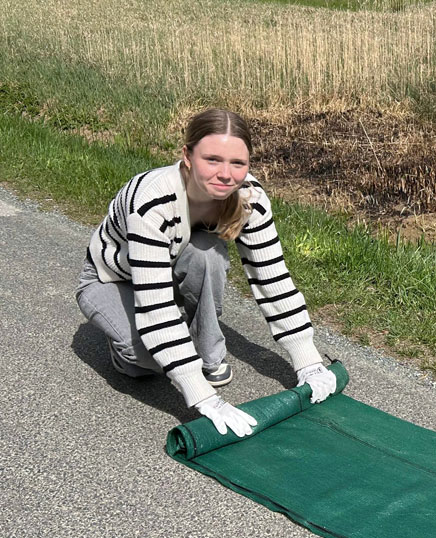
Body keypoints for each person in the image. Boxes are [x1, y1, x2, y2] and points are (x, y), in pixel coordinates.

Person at [75, 108, 337, 437]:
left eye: (238, 163)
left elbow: (273, 280)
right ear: (187, 156)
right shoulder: (152, 202)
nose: (226, 174)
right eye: (212, 160)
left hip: (171, 267)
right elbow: (155, 308)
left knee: (207, 255)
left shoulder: (250, 198)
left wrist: (308, 361)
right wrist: (204, 398)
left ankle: (205, 354)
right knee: (148, 361)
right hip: (113, 279)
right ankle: (128, 352)